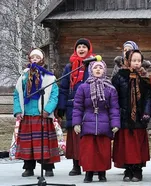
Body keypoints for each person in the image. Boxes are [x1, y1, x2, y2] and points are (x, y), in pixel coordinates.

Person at [13, 48, 60, 177]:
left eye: (37, 57)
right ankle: (29, 167)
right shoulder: (23, 77)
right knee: (28, 144)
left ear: (42, 60)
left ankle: (48, 167)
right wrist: (18, 110)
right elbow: (17, 94)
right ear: (29, 59)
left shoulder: (49, 77)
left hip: (42, 115)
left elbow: (54, 95)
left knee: (45, 144)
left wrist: (48, 109)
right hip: (27, 115)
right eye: (32, 57)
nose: (34, 59)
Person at [72, 60, 120, 183]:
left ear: (104, 70)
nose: (98, 70)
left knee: (103, 151)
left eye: (100, 67)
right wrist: (76, 123)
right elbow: (78, 107)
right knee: (89, 151)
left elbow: (114, 108)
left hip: (104, 124)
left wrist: (115, 123)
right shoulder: (83, 87)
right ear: (91, 70)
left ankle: (102, 173)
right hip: (87, 122)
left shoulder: (110, 89)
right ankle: (88, 173)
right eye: (95, 68)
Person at [112, 49, 151, 182]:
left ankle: (137, 170)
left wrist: (147, 112)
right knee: (126, 146)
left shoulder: (144, 77)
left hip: (139, 117)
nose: (136, 63)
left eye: (139, 61)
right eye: (134, 60)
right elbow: (114, 97)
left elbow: (148, 96)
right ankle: (128, 169)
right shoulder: (119, 76)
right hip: (124, 116)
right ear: (128, 61)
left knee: (137, 145)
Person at [58, 38, 93, 176]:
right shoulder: (69, 66)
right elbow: (64, 88)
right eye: (79, 47)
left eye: (85, 46)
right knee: (74, 138)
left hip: (89, 106)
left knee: (88, 137)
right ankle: (76, 165)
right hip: (73, 106)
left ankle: (90, 165)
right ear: (75, 49)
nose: (82, 49)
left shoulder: (94, 64)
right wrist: (61, 106)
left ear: (89, 49)